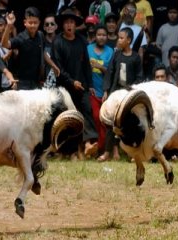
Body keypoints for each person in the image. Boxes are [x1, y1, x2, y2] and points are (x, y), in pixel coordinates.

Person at [51, 9, 99, 158]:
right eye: (66, 23)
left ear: (75, 25)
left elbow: (86, 65)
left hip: (82, 85)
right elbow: (58, 68)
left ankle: (88, 144)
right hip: (65, 87)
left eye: (72, 22)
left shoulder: (82, 41)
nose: (69, 25)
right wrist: (72, 82)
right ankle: (68, 152)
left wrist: (90, 84)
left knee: (87, 110)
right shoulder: (57, 42)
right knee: (68, 119)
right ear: (63, 25)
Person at [102, 27, 143, 161]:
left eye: (121, 38)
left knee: (130, 123)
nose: (118, 40)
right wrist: (106, 90)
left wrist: (132, 90)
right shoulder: (117, 55)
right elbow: (110, 72)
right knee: (111, 123)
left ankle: (132, 152)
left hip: (128, 95)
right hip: (115, 92)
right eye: (118, 38)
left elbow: (139, 77)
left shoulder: (136, 57)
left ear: (129, 40)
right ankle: (108, 152)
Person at [2, 7, 55, 90]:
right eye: (30, 22)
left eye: (35, 22)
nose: (33, 25)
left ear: (39, 23)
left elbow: (43, 52)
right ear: (25, 23)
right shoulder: (20, 38)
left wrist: (53, 66)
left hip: (37, 82)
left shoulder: (41, 35)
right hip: (22, 83)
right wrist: (9, 25)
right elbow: (4, 44)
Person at [87, 25, 114, 160]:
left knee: (104, 121)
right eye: (99, 35)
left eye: (104, 35)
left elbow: (111, 72)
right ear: (95, 36)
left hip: (104, 92)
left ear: (107, 37)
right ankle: (97, 147)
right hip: (92, 91)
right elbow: (84, 70)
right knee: (95, 119)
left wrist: (99, 67)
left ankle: (103, 149)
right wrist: (88, 86)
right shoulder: (88, 49)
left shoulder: (110, 51)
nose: (101, 37)